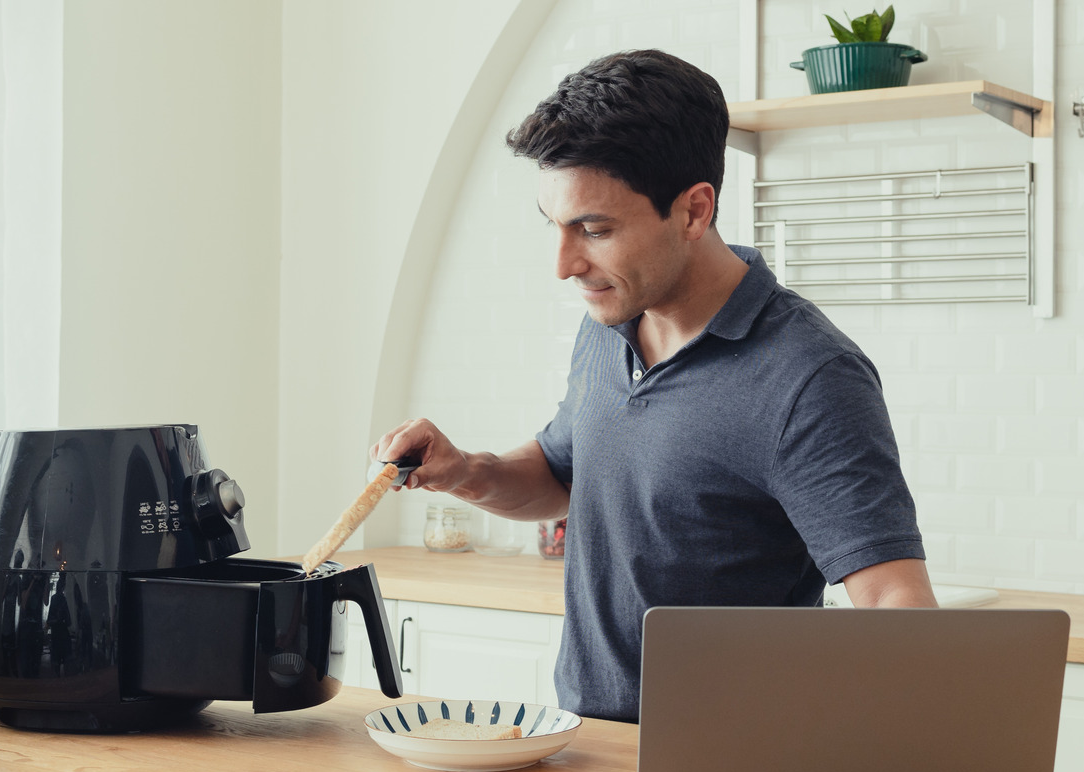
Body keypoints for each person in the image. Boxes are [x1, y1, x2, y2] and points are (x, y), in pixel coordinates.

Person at [371, 49, 936, 724]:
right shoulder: (609, 319)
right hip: (580, 738)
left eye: (596, 229)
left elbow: (899, 607)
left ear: (694, 211)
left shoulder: (809, 377)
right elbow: (562, 473)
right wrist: (465, 471)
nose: (565, 264)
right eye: (554, 225)